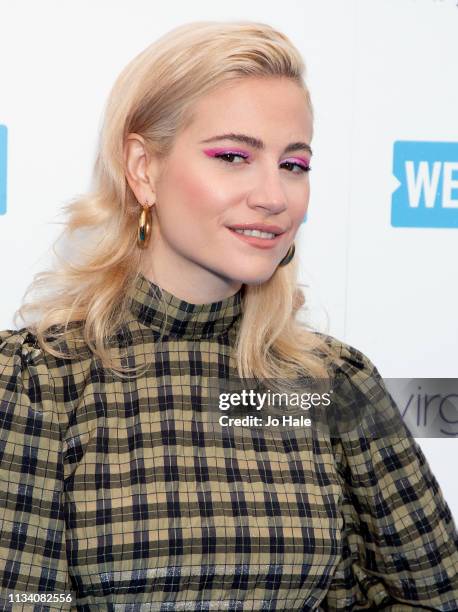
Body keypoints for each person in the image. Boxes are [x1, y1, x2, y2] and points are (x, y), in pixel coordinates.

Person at [0, 20, 457, 611]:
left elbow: (435, 595)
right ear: (143, 168)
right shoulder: (39, 383)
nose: (274, 195)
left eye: (294, 165)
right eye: (234, 156)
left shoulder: (331, 385)